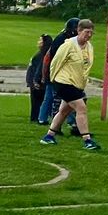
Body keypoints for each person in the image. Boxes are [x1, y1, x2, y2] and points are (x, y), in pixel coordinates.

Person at [41, 18, 100, 150]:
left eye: (91, 33)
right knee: (81, 108)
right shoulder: (68, 45)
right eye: (86, 32)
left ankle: (49, 136)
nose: (89, 35)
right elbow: (55, 62)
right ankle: (87, 140)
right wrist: (52, 79)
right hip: (63, 82)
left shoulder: (89, 47)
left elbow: (85, 67)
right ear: (78, 31)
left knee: (64, 111)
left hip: (76, 84)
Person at [40, 17, 81, 134]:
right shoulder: (63, 41)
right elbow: (56, 60)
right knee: (59, 101)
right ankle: (58, 126)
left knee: (70, 101)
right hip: (60, 75)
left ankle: (73, 124)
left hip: (67, 75)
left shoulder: (67, 39)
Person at [26, 33, 53, 123]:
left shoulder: (42, 55)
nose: (38, 42)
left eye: (40, 40)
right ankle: (39, 117)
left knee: (37, 101)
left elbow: (39, 68)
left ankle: (37, 117)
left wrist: (35, 81)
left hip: (36, 82)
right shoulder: (42, 54)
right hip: (36, 81)